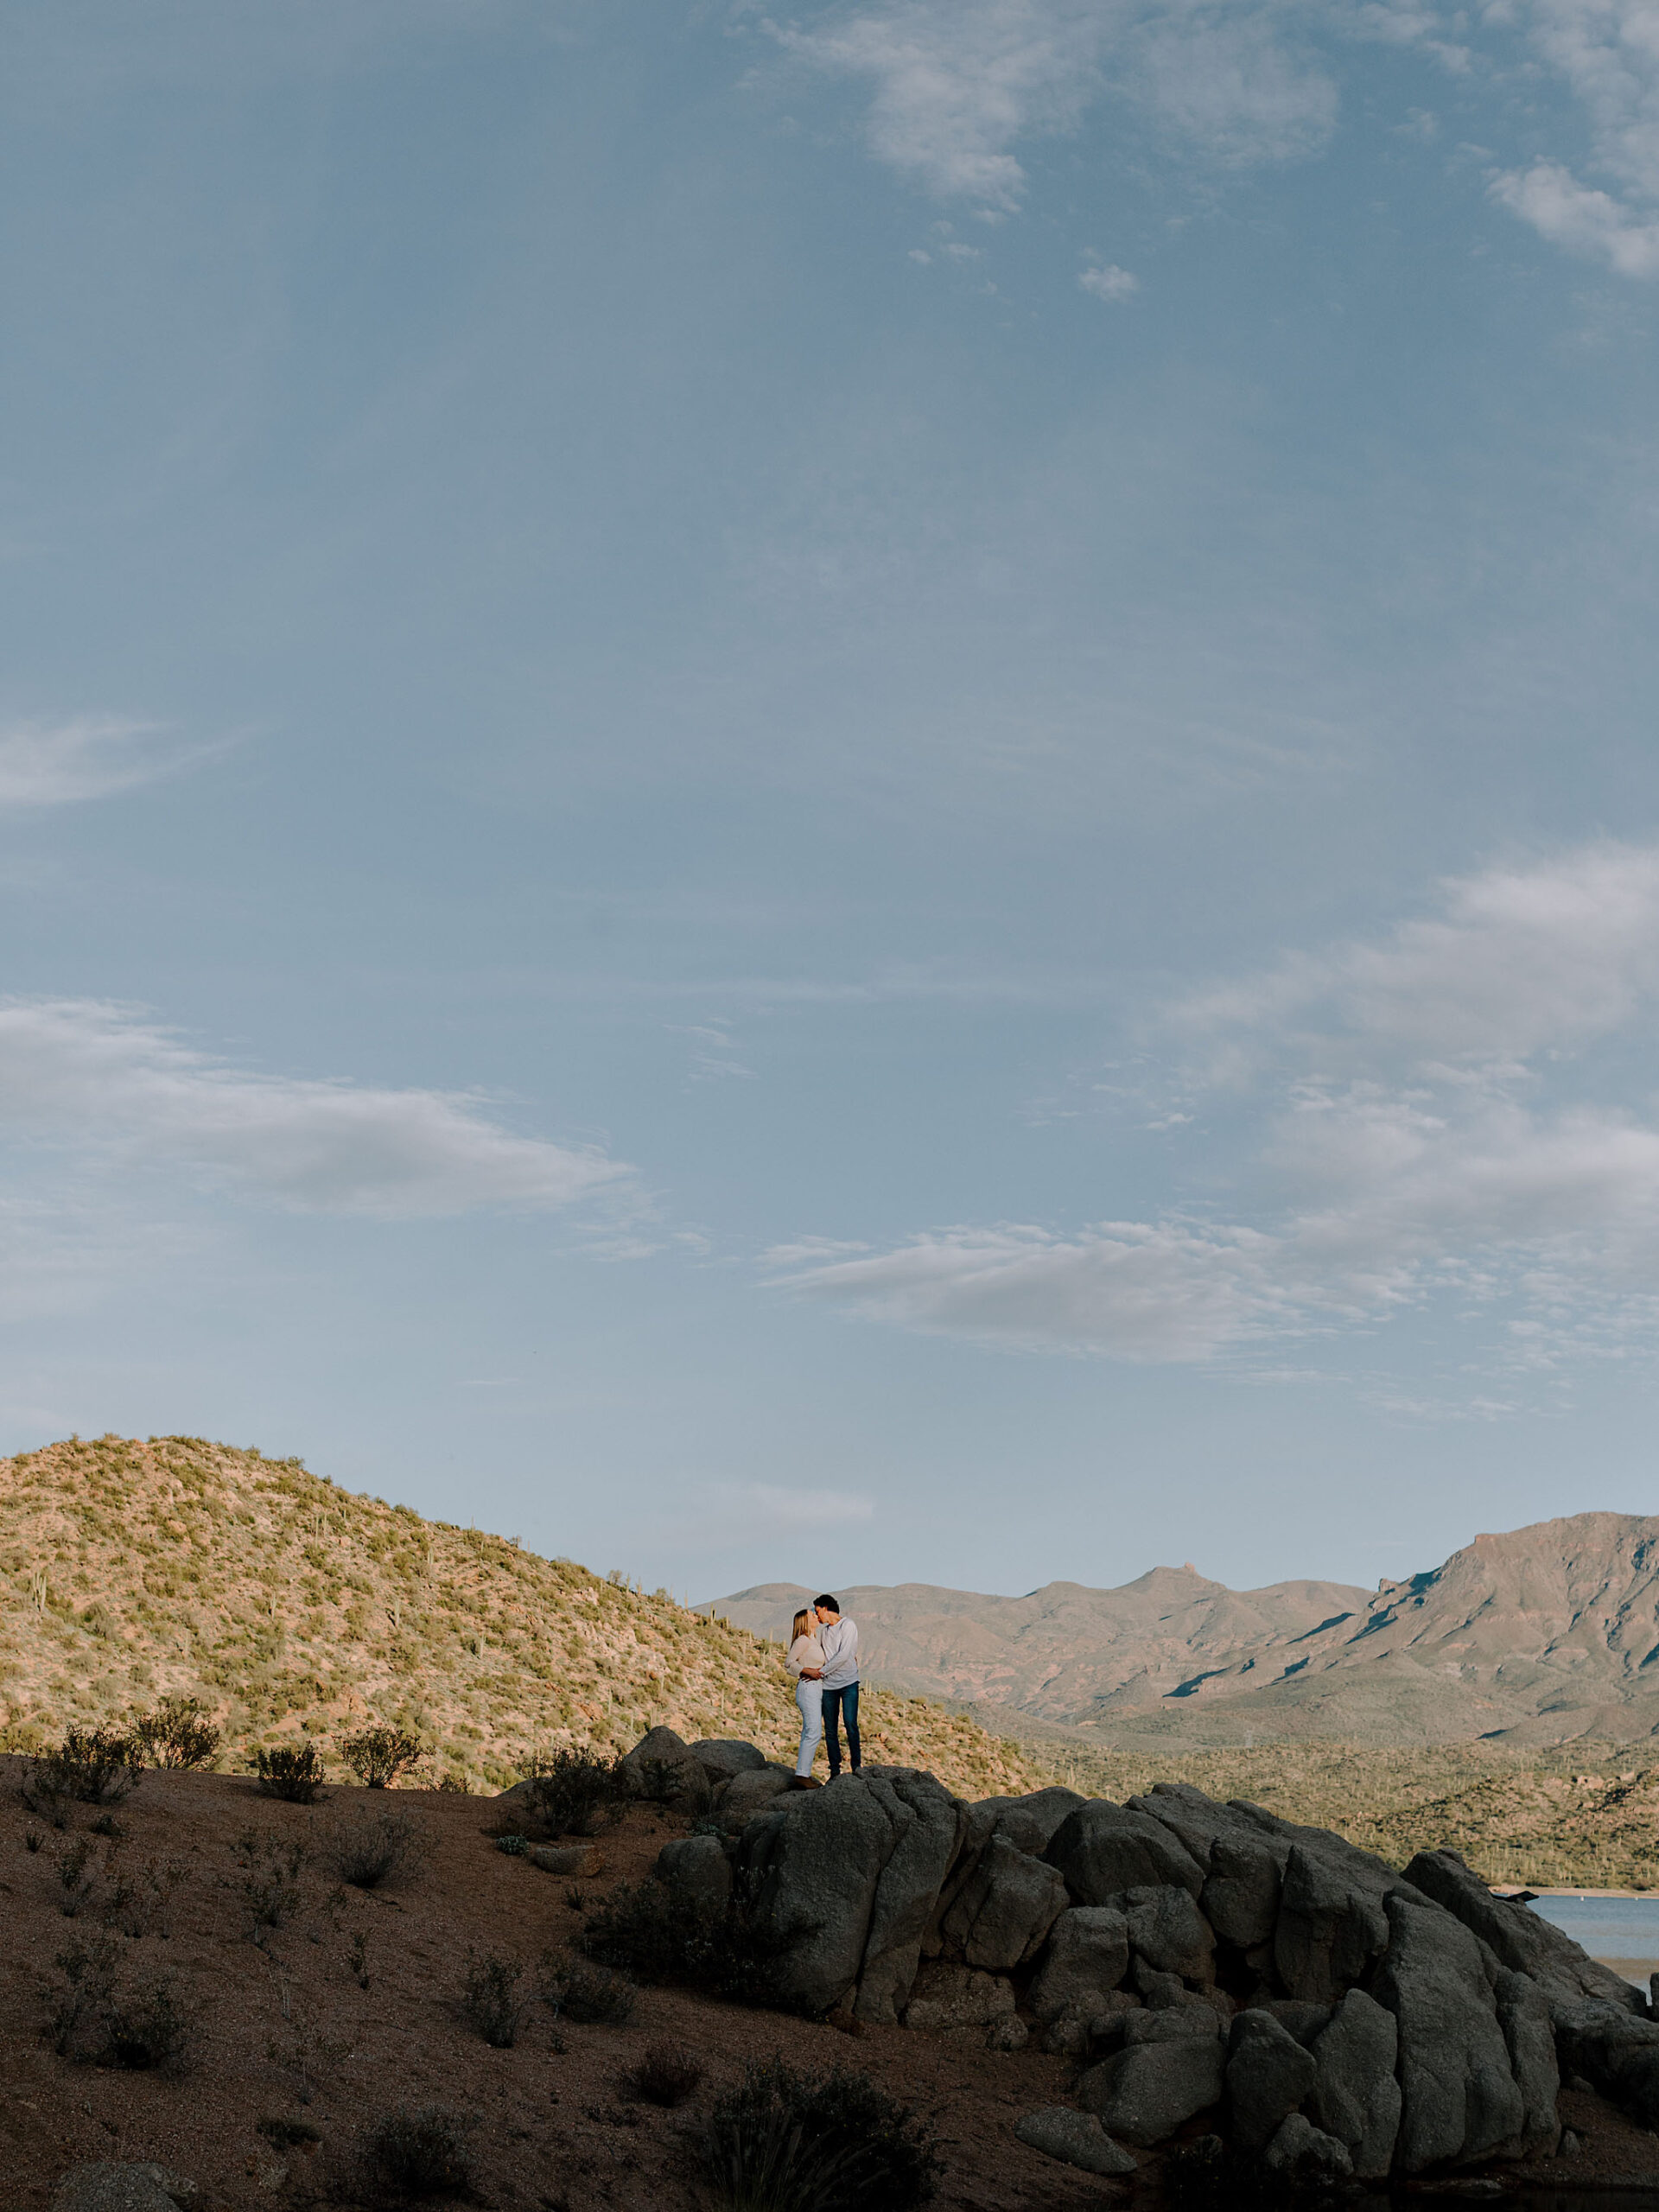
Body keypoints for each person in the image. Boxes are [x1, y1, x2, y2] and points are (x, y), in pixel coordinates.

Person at [813, 1593, 860, 1777]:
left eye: (818, 1611)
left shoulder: (848, 1625)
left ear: (826, 1608)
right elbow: (822, 1655)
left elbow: (844, 1655)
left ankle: (856, 1767)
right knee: (830, 1729)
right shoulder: (824, 1632)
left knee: (850, 1724)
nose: (817, 1615)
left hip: (848, 1683)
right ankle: (834, 1770)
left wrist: (822, 1671)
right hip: (828, 1686)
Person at [785, 1605, 825, 1789]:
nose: (816, 1616)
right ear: (805, 1621)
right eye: (812, 1615)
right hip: (808, 1689)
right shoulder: (802, 1640)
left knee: (809, 1731)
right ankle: (802, 1775)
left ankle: (803, 1773)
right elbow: (788, 1663)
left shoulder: (814, 1640)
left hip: (817, 1689)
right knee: (813, 1731)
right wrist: (806, 1671)